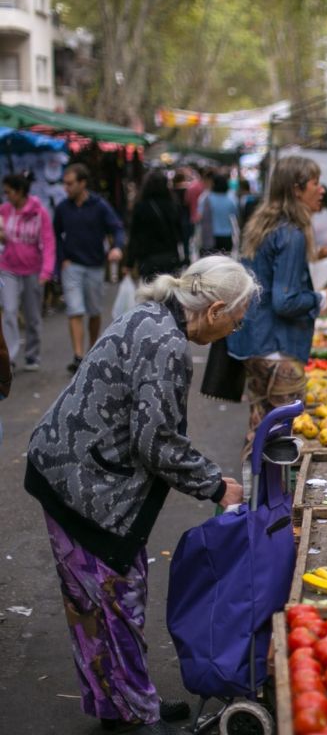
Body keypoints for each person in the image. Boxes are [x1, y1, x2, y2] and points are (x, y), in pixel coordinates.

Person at [24, 256, 253, 735]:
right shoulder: (166, 343)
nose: (236, 327)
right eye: (236, 317)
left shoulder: (153, 314)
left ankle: (128, 701)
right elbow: (157, 442)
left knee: (105, 599)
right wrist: (215, 484)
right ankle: (131, 713)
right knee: (111, 599)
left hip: (81, 469)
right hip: (80, 482)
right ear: (213, 310)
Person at [228, 156, 327, 458]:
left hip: (254, 341)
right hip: (275, 347)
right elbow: (285, 300)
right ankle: (264, 500)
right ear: (296, 190)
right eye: (315, 183)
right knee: (275, 439)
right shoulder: (291, 233)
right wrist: (323, 300)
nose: (321, 190)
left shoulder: (267, 224)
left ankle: (250, 498)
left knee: (259, 427)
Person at [54, 163, 126, 373]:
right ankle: (78, 356)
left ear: (82, 183)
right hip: (72, 266)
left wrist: (117, 248)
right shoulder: (62, 208)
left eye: (70, 184)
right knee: (75, 309)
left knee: (94, 311)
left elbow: (116, 227)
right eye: (64, 184)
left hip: (94, 265)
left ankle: (92, 350)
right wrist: (62, 259)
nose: (66, 188)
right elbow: (55, 234)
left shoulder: (99, 205)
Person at [0, 171, 55, 371]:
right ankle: (9, 357)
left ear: (19, 191)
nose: (6, 196)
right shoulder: (5, 211)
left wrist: (46, 272)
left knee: (32, 316)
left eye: (8, 192)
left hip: (33, 270)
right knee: (9, 311)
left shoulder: (39, 212)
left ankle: (32, 355)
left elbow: (48, 242)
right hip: (8, 269)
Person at [124, 170, 187, 281]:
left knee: (150, 294)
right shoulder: (173, 205)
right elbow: (181, 234)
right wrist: (184, 257)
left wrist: (129, 263)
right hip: (170, 257)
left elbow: (134, 236)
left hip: (147, 259)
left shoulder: (141, 207)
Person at [199, 173, 237, 255]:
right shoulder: (230, 199)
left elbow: (200, 216)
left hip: (211, 236)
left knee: (212, 264)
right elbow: (235, 214)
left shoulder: (206, 198)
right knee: (224, 262)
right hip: (227, 236)